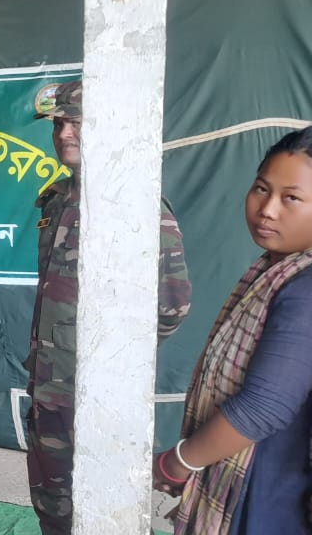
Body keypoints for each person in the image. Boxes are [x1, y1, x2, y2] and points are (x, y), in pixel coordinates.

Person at [27, 80, 192, 534]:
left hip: (100, 397)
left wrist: (113, 360)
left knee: (105, 514)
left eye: (77, 122)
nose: (64, 132)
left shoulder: (136, 204)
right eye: (59, 122)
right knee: (54, 509)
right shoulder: (57, 199)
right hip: (48, 389)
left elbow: (172, 306)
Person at [152, 123, 312, 534]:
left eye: (292, 198)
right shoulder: (279, 270)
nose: (267, 209)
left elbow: (264, 406)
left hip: (271, 494)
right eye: (261, 189)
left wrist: (181, 461)